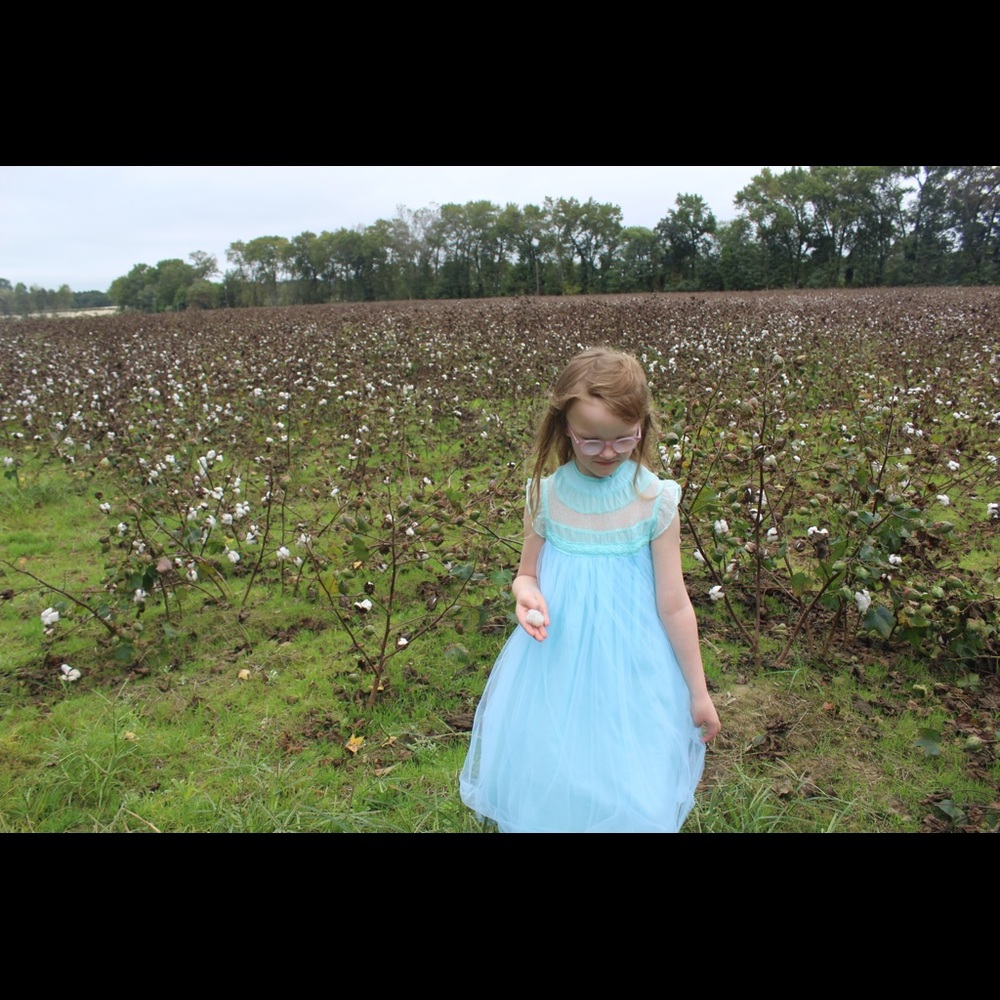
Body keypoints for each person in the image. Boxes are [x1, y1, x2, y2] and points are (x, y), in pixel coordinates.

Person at [460, 347, 721, 833]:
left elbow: (674, 603)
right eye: (592, 440)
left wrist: (698, 691)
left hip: (635, 661)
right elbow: (526, 573)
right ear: (564, 430)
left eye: (623, 439)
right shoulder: (548, 494)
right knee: (560, 754)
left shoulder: (654, 500)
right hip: (558, 656)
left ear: (642, 426)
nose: (607, 452)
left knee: (631, 761)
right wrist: (526, 596)